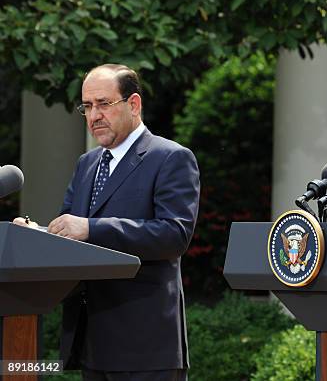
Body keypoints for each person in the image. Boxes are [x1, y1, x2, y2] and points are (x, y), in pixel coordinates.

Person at [15, 64, 200, 380]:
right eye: (87, 107)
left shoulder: (170, 158)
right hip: (90, 340)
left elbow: (174, 235)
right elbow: (70, 235)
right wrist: (38, 236)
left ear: (134, 104)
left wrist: (91, 228)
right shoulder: (86, 164)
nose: (94, 115)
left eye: (103, 103)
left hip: (144, 344)